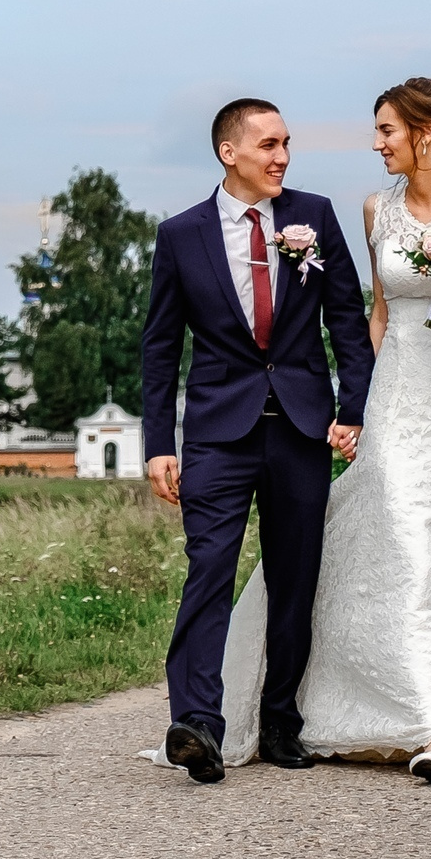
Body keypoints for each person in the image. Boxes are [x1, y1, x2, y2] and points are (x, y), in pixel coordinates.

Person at [218, 75, 431, 783]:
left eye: (387, 130)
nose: (377, 143)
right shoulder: (375, 209)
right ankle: (419, 718)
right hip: (399, 393)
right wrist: (355, 405)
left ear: (424, 132)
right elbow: (379, 314)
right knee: (407, 539)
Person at [138, 98, 375, 783]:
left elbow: (347, 320)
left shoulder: (315, 216)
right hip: (217, 433)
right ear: (229, 151)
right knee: (208, 569)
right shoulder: (181, 235)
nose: (283, 157)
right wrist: (159, 443)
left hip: (302, 427)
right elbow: (160, 347)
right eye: (269, 144)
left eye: (286, 143)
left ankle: (280, 719)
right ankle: (197, 725)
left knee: (295, 579)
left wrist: (353, 408)